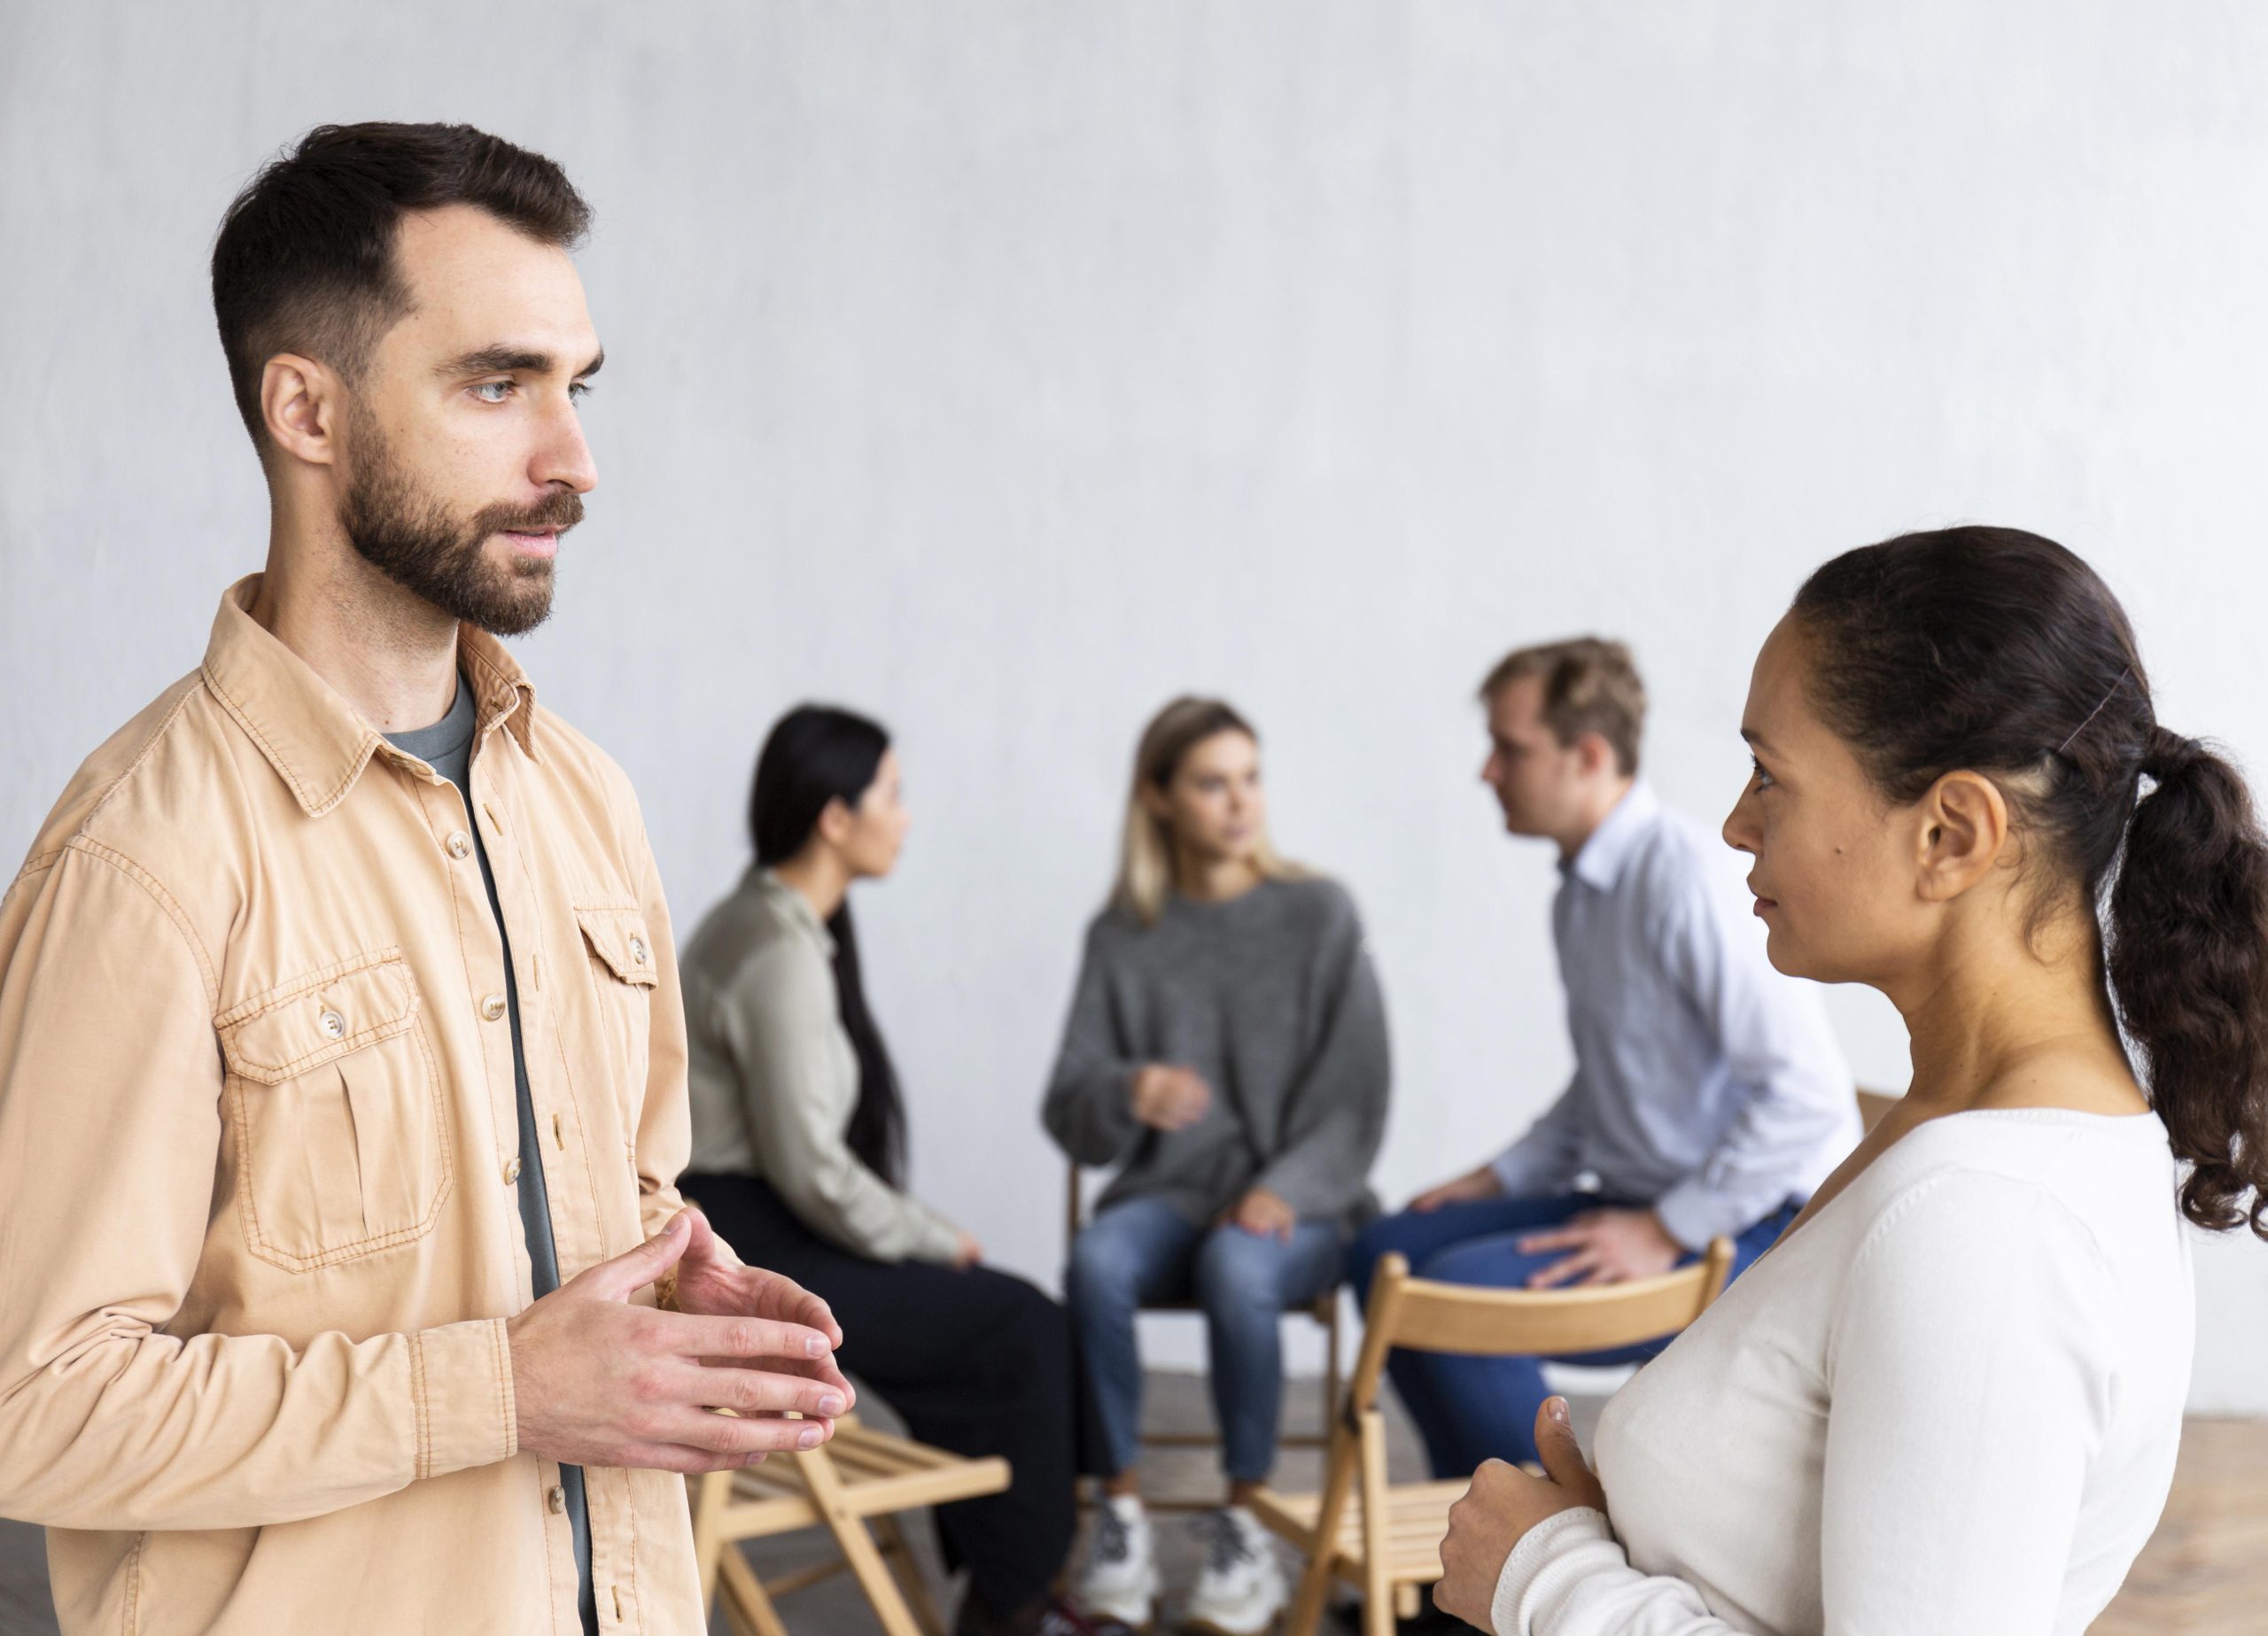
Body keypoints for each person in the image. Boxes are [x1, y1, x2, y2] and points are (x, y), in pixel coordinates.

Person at [0, 124, 852, 1636]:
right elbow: (36, 1408)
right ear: (307, 409)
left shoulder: (585, 799)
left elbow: (613, 1196)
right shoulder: (140, 861)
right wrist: (500, 1388)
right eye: (495, 383)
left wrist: (672, 1283)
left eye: (575, 388)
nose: (573, 459)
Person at [1435, 526, 2264, 1634]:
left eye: (1768, 774)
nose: (1735, 823)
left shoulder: (1988, 1221)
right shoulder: (1952, 1129)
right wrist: (1612, 1535)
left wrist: (1545, 1577)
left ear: (1949, 830)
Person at [1348, 639, 1859, 1479]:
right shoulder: (1584, 892)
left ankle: (1544, 1562)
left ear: (1587, 756)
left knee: (1453, 1297)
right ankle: (1463, 1546)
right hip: (1640, 1196)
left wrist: (1667, 1229)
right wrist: (1499, 1176)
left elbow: (1804, 1095)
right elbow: (1611, 1081)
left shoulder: (1685, 879)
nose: (1487, 771)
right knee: (1381, 1249)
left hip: (1751, 1224)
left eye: (1509, 748)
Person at [678, 704, 1108, 1636]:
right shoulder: (773, 950)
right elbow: (814, 1171)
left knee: (1012, 1323)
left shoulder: (777, 923)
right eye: (892, 795)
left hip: (762, 1224)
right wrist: (931, 1235)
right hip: (753, 1243)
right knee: (1022, 1324)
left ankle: (1018, 1583)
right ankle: (1015, 1602)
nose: (905, 817)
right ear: (835, 817)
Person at [1045, 696, 1392, 1636]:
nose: (1241, 802)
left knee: (1236, 1263)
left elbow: (1357, 1095)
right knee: (1097, 1262)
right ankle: (1119, 1520)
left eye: (1250, 776)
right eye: (1211, 782)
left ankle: (1244, 1530)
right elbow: (1069, 1107)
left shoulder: (1318, 911)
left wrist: (1284, 1186)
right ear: (1158, 798)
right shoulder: (1123, 933)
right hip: (1168, 1193)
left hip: (1298, 1202)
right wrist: (1128, 1090)